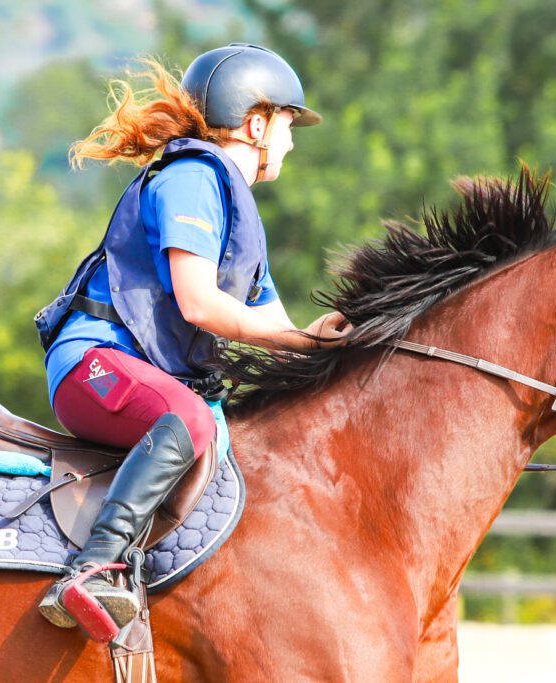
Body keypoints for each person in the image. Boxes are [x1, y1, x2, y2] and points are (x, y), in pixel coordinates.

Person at [33, 43, 350, 634]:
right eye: (286, 124)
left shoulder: (237, 211)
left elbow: (276, 327)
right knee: (190, 419)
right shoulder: (193, 177)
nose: (291, 141)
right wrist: (300, 341)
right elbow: (200, 302)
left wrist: (330, 340)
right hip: (93, 366)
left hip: (133, 375)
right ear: (256, 123)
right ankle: (92, 568)